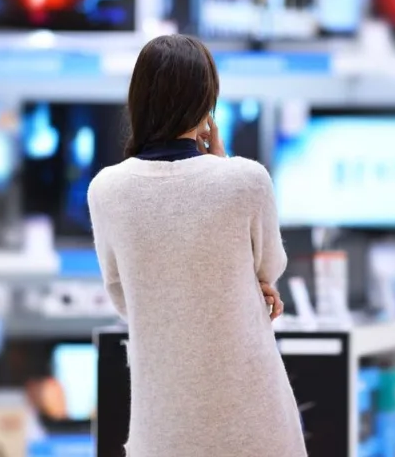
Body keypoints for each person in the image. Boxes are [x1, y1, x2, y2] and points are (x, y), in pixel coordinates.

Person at [86, 34, 307, 457]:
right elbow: (270, 267)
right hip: (257, 424)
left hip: (163, 429)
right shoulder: (245, 180)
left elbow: (124, 298)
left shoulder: (106, 190)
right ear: (207, 105)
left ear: (139, 100)